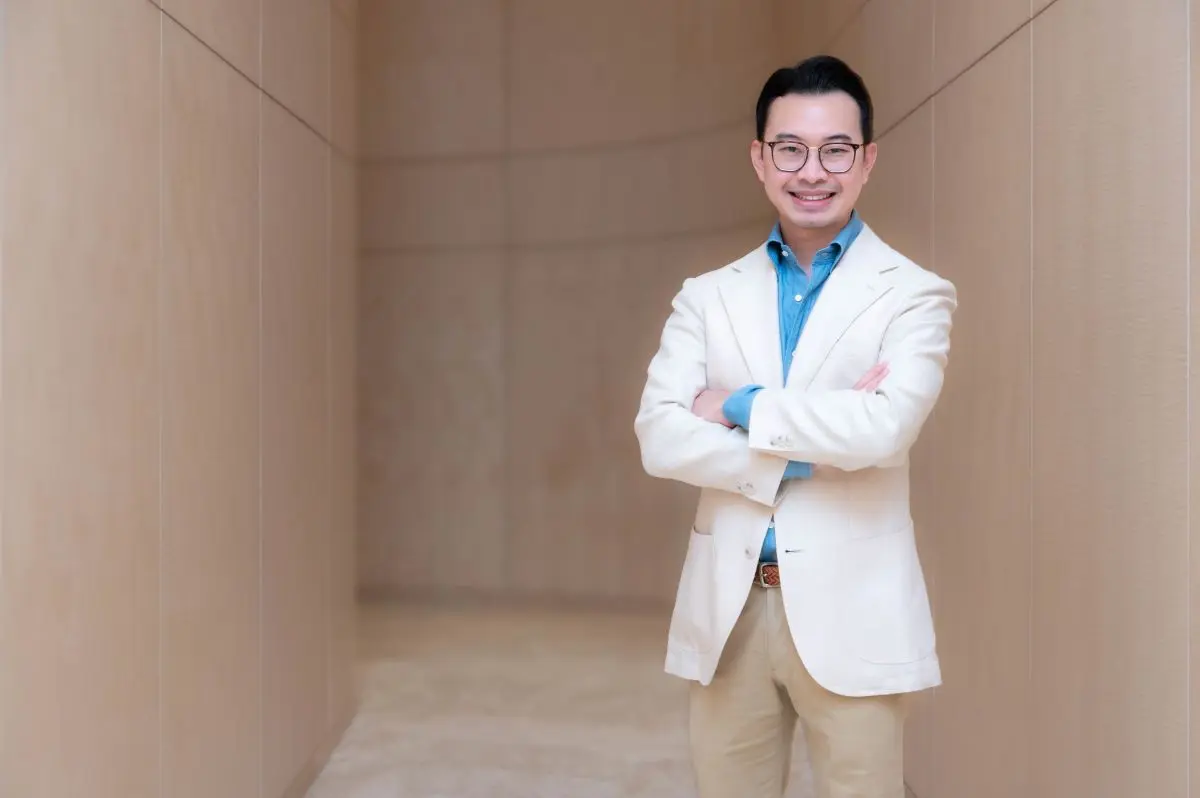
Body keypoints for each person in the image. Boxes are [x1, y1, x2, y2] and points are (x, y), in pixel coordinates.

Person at [633, 55, 957, 798]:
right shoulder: (706, 297)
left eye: (836, 150)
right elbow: (659, 435)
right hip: (730, 610)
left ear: (867, 160)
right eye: (791, 149)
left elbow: (883, 431)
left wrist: (735, 405)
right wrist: (811, 449)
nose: (813, 171)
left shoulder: (914, 294)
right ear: (760, 158)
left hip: (856, 613)